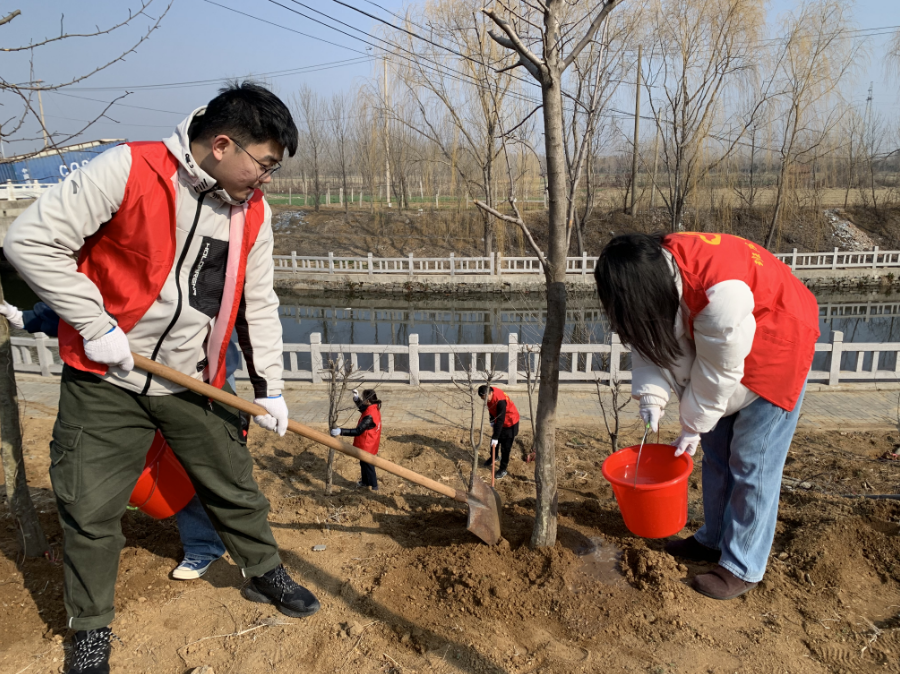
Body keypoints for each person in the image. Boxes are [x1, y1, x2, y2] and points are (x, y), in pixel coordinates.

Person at [5, 81, 319, 674]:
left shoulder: (253, 213)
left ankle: (264, 572)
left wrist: (270, 385)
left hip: (192, 377)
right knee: (89, 508)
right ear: (223, 144)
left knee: (233, 483)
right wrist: (95, 325)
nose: (267, 179)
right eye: (265, 164)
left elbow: (258, 302)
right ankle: (91, 630)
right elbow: (29, 242)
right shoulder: (129, 168)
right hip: (106, 377)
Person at [594, 232, 819, 601]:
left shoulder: (720, 297)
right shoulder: (653, 273)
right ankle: (713, 538)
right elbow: (651, 339)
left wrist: (693, 425)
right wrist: (651, 396)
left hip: (779, 336)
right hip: (728, 341)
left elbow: (718, 373)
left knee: (752, 460)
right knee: (716, 452)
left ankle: (743, 565)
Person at [0, 300, 231, 581]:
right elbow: (89, 296)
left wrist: (266, 389)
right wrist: (30, 318)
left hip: (188, 377)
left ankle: (204, 545)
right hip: (120, 381)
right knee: (121, 460)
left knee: (193, 463)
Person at [331, 388, 382, 491]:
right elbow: (363, 408)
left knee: (368, 465)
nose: (362, 401)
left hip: (367, 444)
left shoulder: (369, 416)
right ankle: (365, 482)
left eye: (363, 399)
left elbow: (358, 431)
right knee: (363, 463)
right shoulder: (373, 408)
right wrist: (356, 398)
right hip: (371, 441)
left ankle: (374, 486)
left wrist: (341, 431)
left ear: (368, 401)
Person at [477, 385, 520, 480]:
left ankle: (503, 469)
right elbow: (491, 408)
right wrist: (492, 420)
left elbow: (501, 420)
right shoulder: (488, 396)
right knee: (493, 444)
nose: (485, 401)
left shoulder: (500, 401)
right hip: (500, 422)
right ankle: (494, 457)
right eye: (482, 399)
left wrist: (496, 437)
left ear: (490, 393)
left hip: (510, 423)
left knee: (505, 448)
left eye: (485, 398)